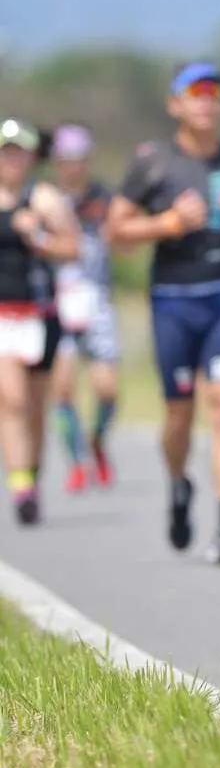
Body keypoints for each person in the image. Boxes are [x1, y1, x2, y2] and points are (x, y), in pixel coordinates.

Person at [106, 61, 220, 564]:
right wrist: (169, 223)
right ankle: (179, 483)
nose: (207, 101)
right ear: (175, 104)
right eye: (196, 93)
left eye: (215, 93)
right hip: (173, 301)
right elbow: (116, 232)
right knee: (179, 416)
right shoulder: (154, 163)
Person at [0, 118, 80, 524]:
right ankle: (20, 487)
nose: (12, 160)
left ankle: (30, 477)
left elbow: (73, 248)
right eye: (6, 151)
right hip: (2, 317)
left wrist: (40, 237)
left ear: (32, 157)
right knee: (11, 399)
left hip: (39, 315)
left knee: (33, 407)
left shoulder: (45, 199)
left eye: (20, 152)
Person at [50, 124, 120, 493]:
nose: (73, 166)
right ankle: (77, 462)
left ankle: (97, 441)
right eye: (66, 160)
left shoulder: (103, 199)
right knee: (62, 389)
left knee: (107, 389)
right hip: (58, 300)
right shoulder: (46, 199)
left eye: (79, 159)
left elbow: (122, 240)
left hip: (97, 300)